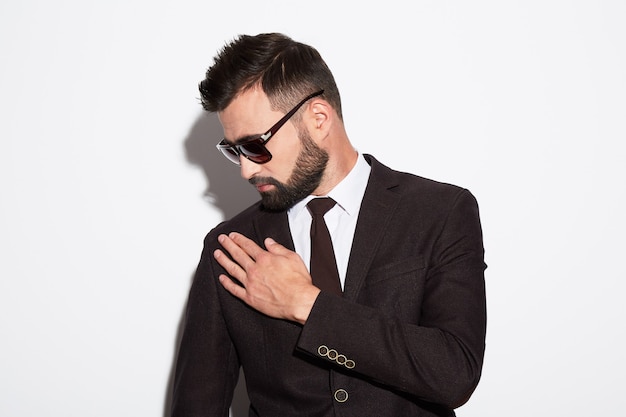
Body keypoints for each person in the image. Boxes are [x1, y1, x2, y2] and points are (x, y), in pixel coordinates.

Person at [171, 33, 487, 417]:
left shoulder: (439, 212)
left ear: (318, 118)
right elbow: (197, 405)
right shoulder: (231, 245)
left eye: (255, 145)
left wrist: (306, 303)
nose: (246, 169)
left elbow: (454, 374)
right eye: (234, 150)